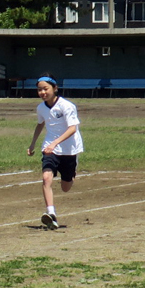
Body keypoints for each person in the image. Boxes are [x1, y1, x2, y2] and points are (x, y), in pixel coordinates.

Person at [27, 74, 83, 230]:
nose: (42, 93)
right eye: (39, 90)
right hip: (50, 148)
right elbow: (40, 124)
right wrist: (32, 144)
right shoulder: (41, 107)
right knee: (46, 177)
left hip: (69, 148)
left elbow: (73, 128)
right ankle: (51, 213)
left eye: (45, 89)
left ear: (55, 88)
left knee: (66, 187)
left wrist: (56, 143)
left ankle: (71, 173)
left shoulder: (67, 106)